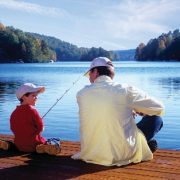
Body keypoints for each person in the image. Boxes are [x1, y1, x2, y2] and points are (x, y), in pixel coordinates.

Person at [72, 57, 164, 166]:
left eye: (89, 74)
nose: (89, 78)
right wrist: (136, 109)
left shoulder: (81, 94)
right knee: (156, 119)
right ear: (111, 74)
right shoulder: (125, 90)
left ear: (96, 72)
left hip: (91, 153)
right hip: (122, 154)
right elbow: (159, 107)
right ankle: (145, 146)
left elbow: (103, 110)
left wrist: (129, 109)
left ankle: (146, 145)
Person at [8, 83, 60, 155]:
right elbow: (41, 128)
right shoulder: (33, 111)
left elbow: (12, 128)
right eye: (33, 96)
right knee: (55, 141)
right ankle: (42, 148)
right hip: (34, 144)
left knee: (16, 142)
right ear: (24, 97)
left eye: (36, 96)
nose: (36, 98)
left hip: (19, 145)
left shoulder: (14, 113)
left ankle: (9, 145)